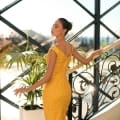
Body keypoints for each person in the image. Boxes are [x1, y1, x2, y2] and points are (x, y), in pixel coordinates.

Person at [15, 18, 103, 120]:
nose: (52, 28)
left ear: (64, 30)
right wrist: (93, 53)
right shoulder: (70, 47)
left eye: (56, 26)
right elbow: (86, 61)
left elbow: (47, 77)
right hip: (65, 90)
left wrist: (26, 89)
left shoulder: (54, 50)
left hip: (53, 91)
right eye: (53, 25)